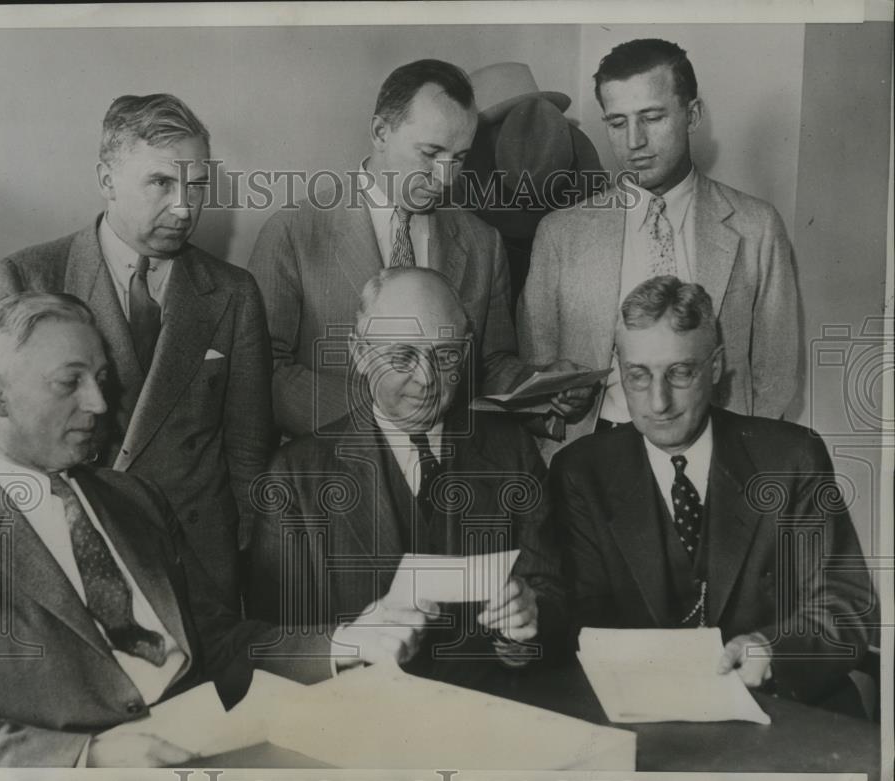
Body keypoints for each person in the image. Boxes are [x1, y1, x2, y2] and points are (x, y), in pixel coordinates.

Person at [0, 293, 408, 767]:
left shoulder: (133, 499)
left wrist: (348, 642)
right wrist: (89, 758)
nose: (97, 404)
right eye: (70, 383)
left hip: (218, 742)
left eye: (102, 379)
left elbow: (215, 641)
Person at [0, 94, 272, 606]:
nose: (185, 208)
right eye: (161, 182)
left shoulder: (233, 292)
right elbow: (2, 451)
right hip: (81, 554)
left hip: (199, 564)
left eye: (197, 185)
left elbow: (249, 448)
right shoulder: (29, 279)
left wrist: (243, 556)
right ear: (106, 181)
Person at [552, 276, 876, 709]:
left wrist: (771, 651)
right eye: (638, 376)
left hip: (783, 708)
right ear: (617, 369)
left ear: (717, 365)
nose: (659, 401)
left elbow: (846, 606)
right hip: (643, 712)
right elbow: (582, 620)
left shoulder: (791, 458)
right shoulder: (581, 472)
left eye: (680, 372)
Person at [247, 267, 566, 683]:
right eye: (402, 356)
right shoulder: (295, 477)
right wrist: (347, 645)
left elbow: (556, 602)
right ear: (360, 354)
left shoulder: (511, 452)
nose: (428, 378)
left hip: (489, 717)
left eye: (446, 354)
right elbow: (269, 646)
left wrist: (528, 619)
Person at [248, 59, 591, 440]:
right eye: (431, 153)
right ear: (380, 132)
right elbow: (264, 371)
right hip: (337, 466)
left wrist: (541, 386)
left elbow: (490, 363)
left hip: (449, 470)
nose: (445, 177)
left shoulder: (483, 242)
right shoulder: (292, 232)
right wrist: (381, 419)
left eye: (458, 158)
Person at [519, 38, 799, 457]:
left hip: (718, 453)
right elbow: (538, 374)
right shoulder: (561, 234)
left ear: (693, 115)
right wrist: (555, 396)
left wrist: (743, 465)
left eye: (651, 117)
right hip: (595, 456)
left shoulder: (756, 227)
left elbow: (775, 374)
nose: (634, 141)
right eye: (617, 122)